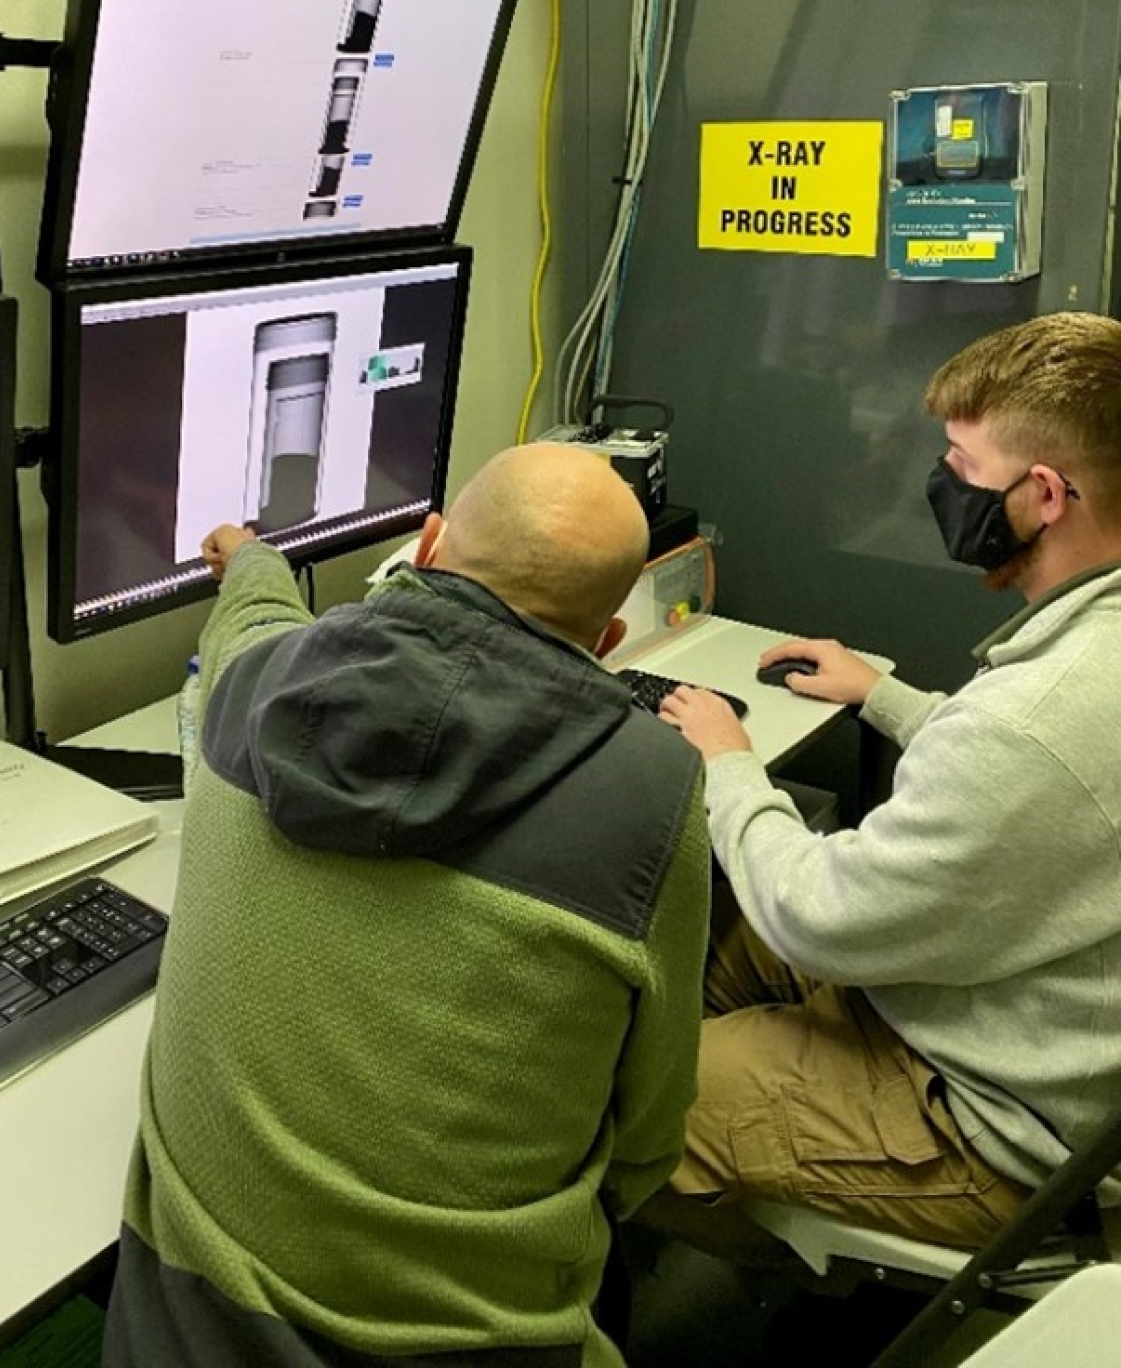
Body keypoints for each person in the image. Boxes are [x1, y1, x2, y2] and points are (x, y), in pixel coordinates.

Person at [103, 442, 710, 1367]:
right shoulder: (653, 797)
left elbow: (252, 625)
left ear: (426, 549)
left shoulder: (255, 688)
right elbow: (646, 1144)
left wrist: (253, 565)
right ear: (607, 643)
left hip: (184, 1332)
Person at [648, 310, 1121, 1250]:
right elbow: (1052, 785)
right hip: (1024, 1011)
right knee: (709, 948)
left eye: (962, 463)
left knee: (633, 1101)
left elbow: (820, 915)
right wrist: (890, 699)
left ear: (1043, 495)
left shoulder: (1030, 725)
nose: (944, 482)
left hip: (994, 1119)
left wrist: (732, 768)